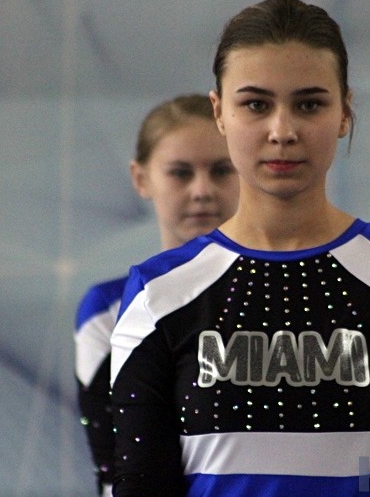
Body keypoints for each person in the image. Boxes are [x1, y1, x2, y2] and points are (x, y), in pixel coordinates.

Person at [110, 0, 370, 496]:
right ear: (219, 112)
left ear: (345, 111)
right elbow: (141, 485)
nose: (282, 131)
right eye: (255, 104)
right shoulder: (157, 293)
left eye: (309, 104)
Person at [74, 94, 239, 496]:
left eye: (221, 171)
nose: (202, 190)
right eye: (180, 173)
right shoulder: (109, 311)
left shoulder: (286, 297)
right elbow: (116, 467)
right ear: (141, 178)